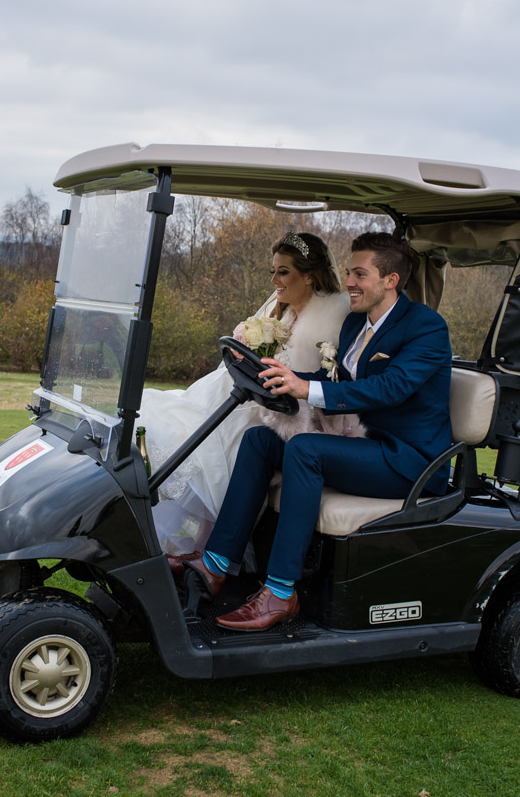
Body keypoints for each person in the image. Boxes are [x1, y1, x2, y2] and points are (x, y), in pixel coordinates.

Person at [174, 232, 453, 631]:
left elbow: (391, 388)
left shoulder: (425, 327)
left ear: (390, 280)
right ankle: (216, 564)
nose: (349, 282)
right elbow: (335, 378)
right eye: (348, 272)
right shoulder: (358, 322)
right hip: (358, 442)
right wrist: (285, 377)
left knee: (305, 449)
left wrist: (308, 389)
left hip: (405, 458)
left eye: (360, 274)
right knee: (260, 440)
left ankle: (280, 593)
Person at [140, 231, 349, 555]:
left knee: (221, 437)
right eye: (273, 271)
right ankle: (192, 552)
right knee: (172, 417)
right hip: (253, 395)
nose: (275, 280)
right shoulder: (285, 311)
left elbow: (309, 382)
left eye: (283, 272)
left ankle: (209, 554)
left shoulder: (328, 320)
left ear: (308, 276)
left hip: (284, 412)